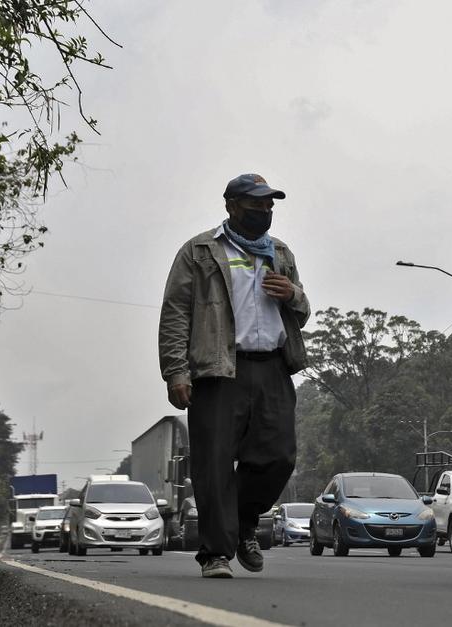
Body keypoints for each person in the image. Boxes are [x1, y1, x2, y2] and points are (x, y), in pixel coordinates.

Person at [159, 173, 310, 578]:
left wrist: (292, 294)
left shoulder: (280, 252)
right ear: (231, 205)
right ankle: (215, 552)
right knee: (214, 463)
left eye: (269, 205)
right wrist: (176, 371)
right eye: (256, 204)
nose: (265, 211)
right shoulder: (199, 251)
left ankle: (244, 522)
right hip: (217, 369)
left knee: (278, 456)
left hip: (273, 366)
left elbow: (302, 311)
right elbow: (175, 312)